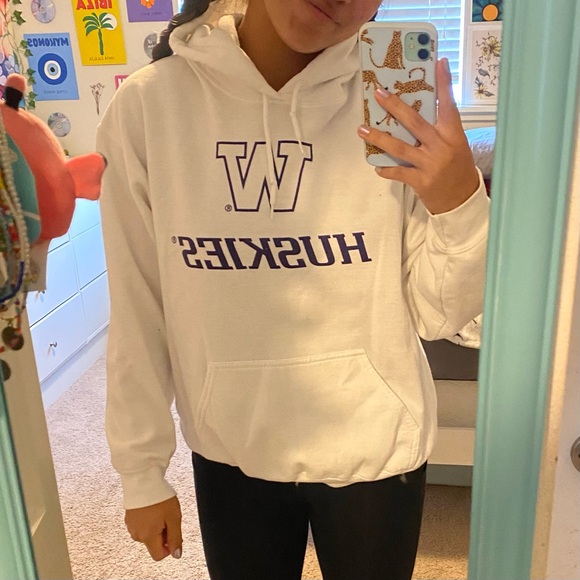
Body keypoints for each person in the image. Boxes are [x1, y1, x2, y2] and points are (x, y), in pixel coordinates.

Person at [97, 0, 489, 578]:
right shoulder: (148, 109)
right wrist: (141, 472)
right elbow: (137, 303)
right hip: (232, 446)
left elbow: (439, 315)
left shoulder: (392, 103)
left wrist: (459, 201)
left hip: (376, 443)